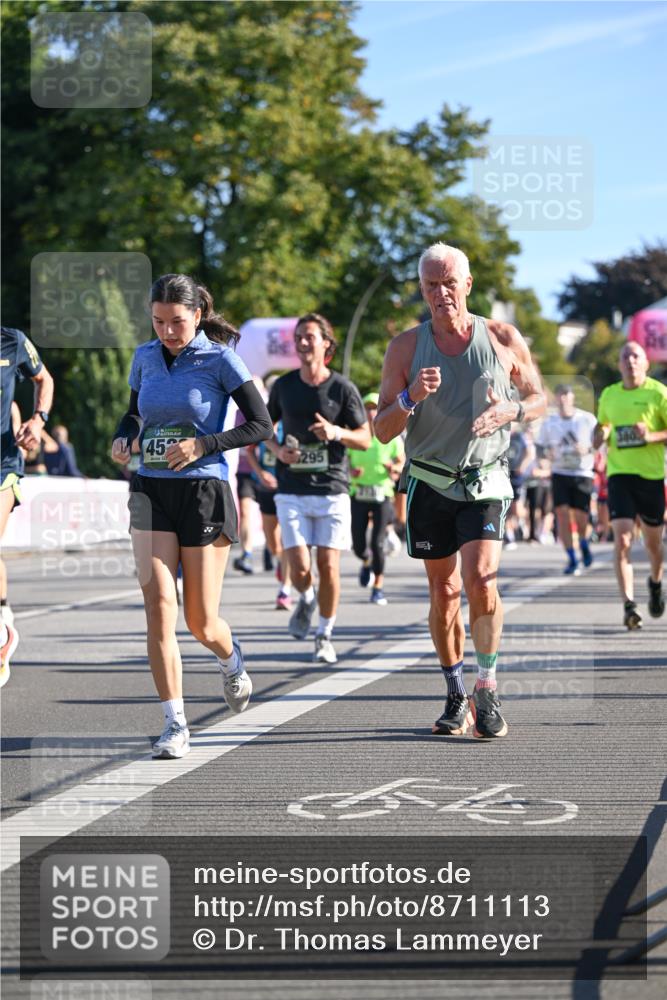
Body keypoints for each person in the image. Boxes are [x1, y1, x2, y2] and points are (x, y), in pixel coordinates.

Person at [375, 243, 546, 739]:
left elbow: (538, 399)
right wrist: (411, 397)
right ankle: (455, 692)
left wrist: (510, 410)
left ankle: (486, 686)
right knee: (444, 591)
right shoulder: (406, 347)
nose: (441, 293)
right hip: (429, 479)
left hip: (484, 476)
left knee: (481, 580)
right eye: (431, 284)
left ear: (468, 285)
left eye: (450, 282)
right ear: (422, 289)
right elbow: (383, 430)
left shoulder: (501, 336)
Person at [111, 274, 272, 759]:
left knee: (201, 621)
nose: (167, 331)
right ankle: (174, 723)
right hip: (150, 489)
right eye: (158, 321)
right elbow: (135, 412)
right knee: (159, 605)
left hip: (203, 491)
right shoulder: (144, 357)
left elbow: (260, 424)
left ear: (197, 315)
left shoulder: (220, 359)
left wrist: (204, 443)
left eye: (176, 322)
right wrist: (125, 436)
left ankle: (231, 659)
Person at [266, 313, 371, 665]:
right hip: (291, 487)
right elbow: (264, 427)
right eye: (299, 337)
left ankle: (324, 633)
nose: (302, 342)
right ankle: (305, 597)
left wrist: (337, 433)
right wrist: (278, 450)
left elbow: (366, 438)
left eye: (310, 336)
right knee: (298, 567)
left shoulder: (342, 389)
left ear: (327, 343)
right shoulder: (283, 386)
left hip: (332, 488)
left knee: (328, 565)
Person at [594, 341, 667, 630]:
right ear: (619, 364)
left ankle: (656, 581)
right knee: (622, 540)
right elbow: (601, 428)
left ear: (646, 363)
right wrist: (599, 434)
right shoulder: (610, 395)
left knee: (652, 545)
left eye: (636, 355)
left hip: (650, 477)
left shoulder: (658, 393)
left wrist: (650, 436)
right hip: (619, 475)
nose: (630, 360)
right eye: (625, 356)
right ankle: (629, 605)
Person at [0, 326, 55, 687]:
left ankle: (2, 633)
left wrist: (37, 420)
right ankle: (3, 618)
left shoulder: (12, 340)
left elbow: (44, 379)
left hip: (2, 464)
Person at [348, 392, 405, 606]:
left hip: (382, 494)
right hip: (359, 492)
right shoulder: (356, 435)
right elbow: (344, 462)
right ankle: (365, 560)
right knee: (358, 544)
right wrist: (351, 471)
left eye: (375, 408)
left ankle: (378, 587)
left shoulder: (390, 435)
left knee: (378, 542)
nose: (371, 412)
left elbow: (401, 462)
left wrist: (394, 469)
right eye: (368, 408)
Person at [536, 384, 597, 575]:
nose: (563, 399)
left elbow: (599, 444)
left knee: (581, 519)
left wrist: (587, 450)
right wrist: (547, 456)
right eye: (560, 395)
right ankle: (572, 558)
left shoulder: (586, 419)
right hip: (560, 472)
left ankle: (584, 544)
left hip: (582, 473)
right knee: (562, 515)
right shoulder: (549, 422)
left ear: (572, 398)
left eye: (566, 395)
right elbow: (540, 447)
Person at [244, 430, 293, 610]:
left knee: (288, 538)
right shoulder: (264, 424)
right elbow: (249, 451)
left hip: (289, 487)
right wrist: (261, 473)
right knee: (272, 542)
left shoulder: (291, 422)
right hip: (266, 488)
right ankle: (280, 561)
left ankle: (285, 590)